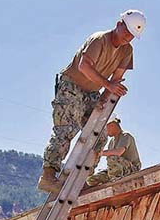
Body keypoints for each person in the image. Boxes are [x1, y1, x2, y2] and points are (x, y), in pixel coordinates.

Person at [38, 10, 146, 194]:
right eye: (126, 32)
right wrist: (107, 85)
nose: (128, 38)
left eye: (132, 36)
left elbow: (117, 79)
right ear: (119, 24)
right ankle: (48, 177)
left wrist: (103, 100)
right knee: (66, 129)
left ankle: (83, 180)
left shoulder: (127, 51)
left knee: (100, 135)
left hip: (92, 92)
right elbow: (84, 66)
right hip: (71, 85)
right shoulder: (99, 40)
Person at [85, 116, 142, 186]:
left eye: (105, 128)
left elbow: (118, 152)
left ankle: (116, 181)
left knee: (112, 157)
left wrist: (100, 153)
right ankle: (113, 177)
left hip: (132, 169)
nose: (105, 131)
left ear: (112, 125)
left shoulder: (125, 136)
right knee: (91, 180)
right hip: (119, 169)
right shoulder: (111, 142)